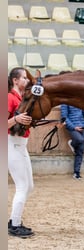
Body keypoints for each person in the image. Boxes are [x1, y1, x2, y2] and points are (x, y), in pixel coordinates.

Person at [8, 67, 35, 238]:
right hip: (11, 144)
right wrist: (16, 119)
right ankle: (14, 225)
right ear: (15, 80)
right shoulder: (9, 98)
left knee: (29, 186)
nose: (27, 80)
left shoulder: (22, 98)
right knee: (22, 186)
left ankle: (14, 220)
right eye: (24, 78)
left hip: (21, 144)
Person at [60, 105, 84, 180]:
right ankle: (72, 143)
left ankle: (76, 173)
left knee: (80, 151)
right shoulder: (65, 102)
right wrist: (74, 127)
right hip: (73, 127)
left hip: (83, 126)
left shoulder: (79, 100)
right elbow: (64, 117)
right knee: (80, 140)